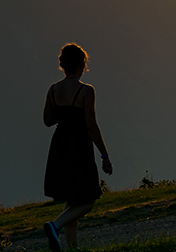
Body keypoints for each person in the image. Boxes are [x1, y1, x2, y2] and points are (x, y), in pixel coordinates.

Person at [42, 43, 113, 252]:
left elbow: (47, 120)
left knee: (73, 199)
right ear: (82, 64)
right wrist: (105, 155)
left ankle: (73, 248)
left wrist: (64, 113)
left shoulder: (53, 89)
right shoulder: (86, 91)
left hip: (59, 146)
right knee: (88, 200)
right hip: (79, 147)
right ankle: (54, 226)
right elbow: (91, 126)